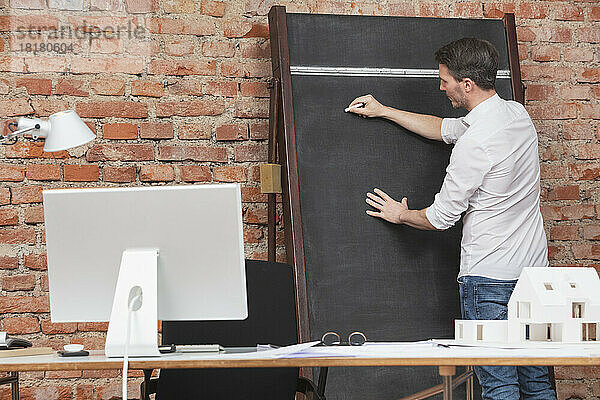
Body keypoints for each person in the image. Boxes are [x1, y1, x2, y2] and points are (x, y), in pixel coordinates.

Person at [347, 37, 556, 400]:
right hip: (533, 276)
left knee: (499, 384)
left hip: (488, 280)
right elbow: (444, 128)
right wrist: (385, 111)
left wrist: (401, 213)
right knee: (536, 382)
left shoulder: (475, 145)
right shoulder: (515, 116)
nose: (440, 86)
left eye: (445, 80)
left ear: (467, 84)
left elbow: (442, 217)